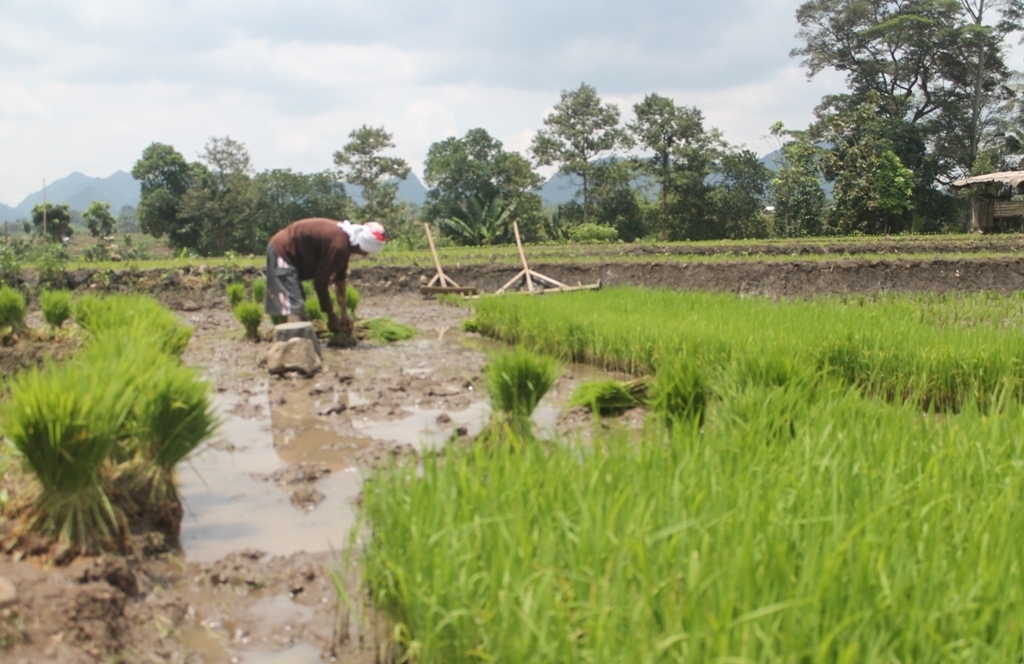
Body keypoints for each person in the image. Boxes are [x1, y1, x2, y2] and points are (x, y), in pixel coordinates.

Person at [264, 218, 386, 335]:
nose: (365, 255)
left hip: (292, 254)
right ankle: (294, 349)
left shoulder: (345, 241)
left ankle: (302, 344)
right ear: (363, 246)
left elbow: (340, 277)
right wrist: (331, 315)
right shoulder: (339, 246)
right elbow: (320, 282)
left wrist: (344, 313)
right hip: (283, 251)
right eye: (367, 252)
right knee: (294, 306)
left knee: (298, 303)